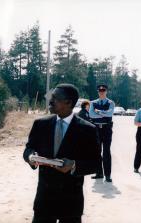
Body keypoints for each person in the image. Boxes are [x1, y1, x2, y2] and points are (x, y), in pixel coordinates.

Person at [23, 83, 100, 223]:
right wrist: (30, 157)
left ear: (68, 102)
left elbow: (95, 164)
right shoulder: (40, 124)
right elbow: (28, 148)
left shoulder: (87, 130)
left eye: (55, 98)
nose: (50, 101)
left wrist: (74, 165)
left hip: (71, 202)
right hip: (44, 200)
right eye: (50, 97)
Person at [89, 84, 115, 182]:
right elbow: (91, 115)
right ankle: (99, 173)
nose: (102, 92)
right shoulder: (93, 103)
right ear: (98, 92)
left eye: (103, 91)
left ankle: (108, 175)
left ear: (106, 91)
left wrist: (98, 112)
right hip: (96, 129)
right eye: (100, 91)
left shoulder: (110, 102)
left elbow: (110, 114)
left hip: (106, 129)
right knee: (97, 152)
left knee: (106, 152)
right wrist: (103, 113)